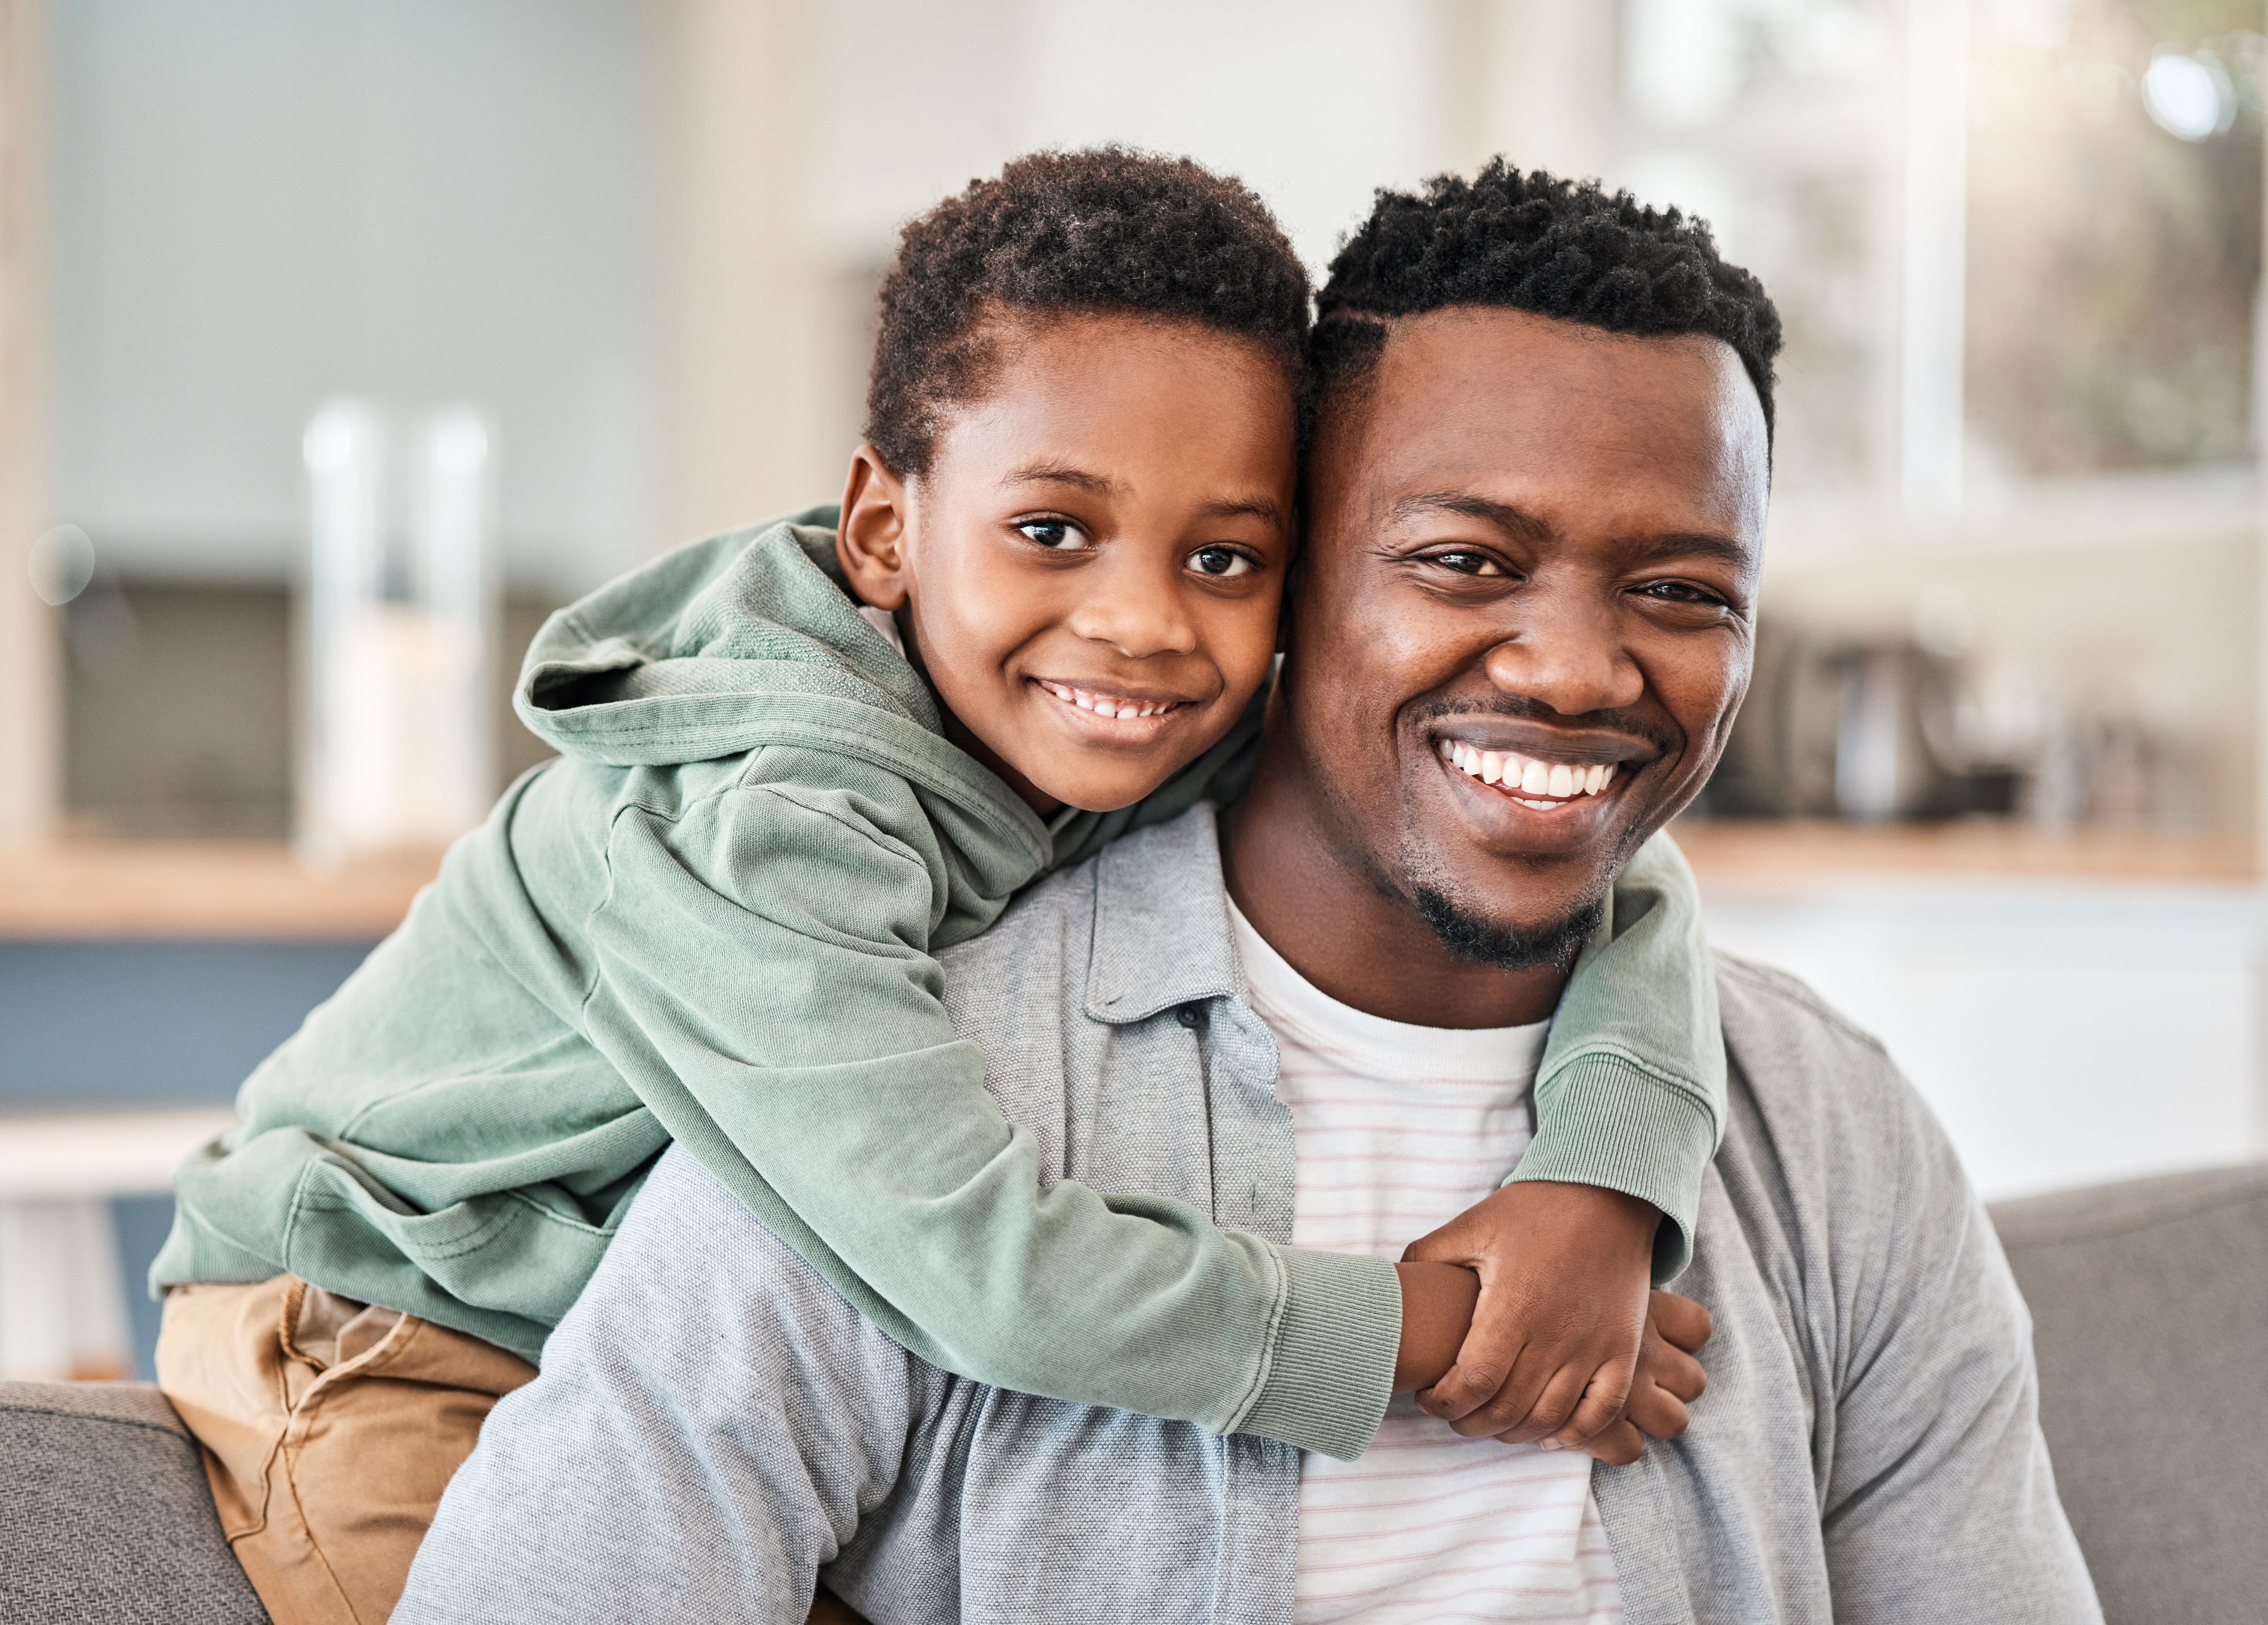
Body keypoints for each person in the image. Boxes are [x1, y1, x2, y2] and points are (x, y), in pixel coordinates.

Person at [394, 164, 2102, 1625]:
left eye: (1678, 589)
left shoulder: (1826, 1132)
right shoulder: (912, 1095)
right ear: (1285, 577)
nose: (1581, 670)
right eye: (1462, 562)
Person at [149, 152, 1729, 1625]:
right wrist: (1430, 1330)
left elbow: (1617, 878)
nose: (1142, 624)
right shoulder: (770, 825)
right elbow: (977, 1268)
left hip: (645, 1339)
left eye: (1224, 558)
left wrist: (1602, 1185)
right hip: (384, 1322)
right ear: (883, 529)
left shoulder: (1130, 718)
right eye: (1053, 531)